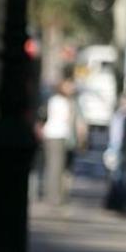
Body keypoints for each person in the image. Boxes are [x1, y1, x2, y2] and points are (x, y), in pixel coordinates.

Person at [40, 78, 86, 206]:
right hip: (58, 135)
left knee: (54, 167)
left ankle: (53, 195)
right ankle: (54, 196)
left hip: (53, 134)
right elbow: (66, 119)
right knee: (56, 167)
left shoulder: (54, 100)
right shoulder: (62, 101)